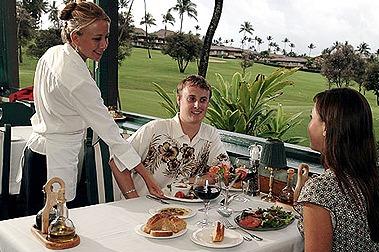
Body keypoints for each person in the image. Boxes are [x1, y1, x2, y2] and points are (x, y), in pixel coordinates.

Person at [18, 0, 162, 215]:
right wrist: (148, 178)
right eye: (97, 38)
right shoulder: (78, 81)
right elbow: (112, 134)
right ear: (75, 37)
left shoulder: (53, 53)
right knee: (54, 231)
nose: (104, 45)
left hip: (35, 152)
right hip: (54, 163)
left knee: (35, 230)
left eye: (106, 37)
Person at [251, 88, 379, 252]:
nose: (309, 125)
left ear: (327, 128)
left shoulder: (322, 188)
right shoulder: (368, 180)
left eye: (312, 118)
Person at [110, 75, 229, 197]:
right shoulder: (155, 129)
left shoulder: (210, 135)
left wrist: (193, 181)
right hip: (146, 206)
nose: (197, 105)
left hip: (187, 210)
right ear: (179, 99)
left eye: (203, 100)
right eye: (191, 99)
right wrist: (133, 198)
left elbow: (223, 168)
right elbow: (117, 159)